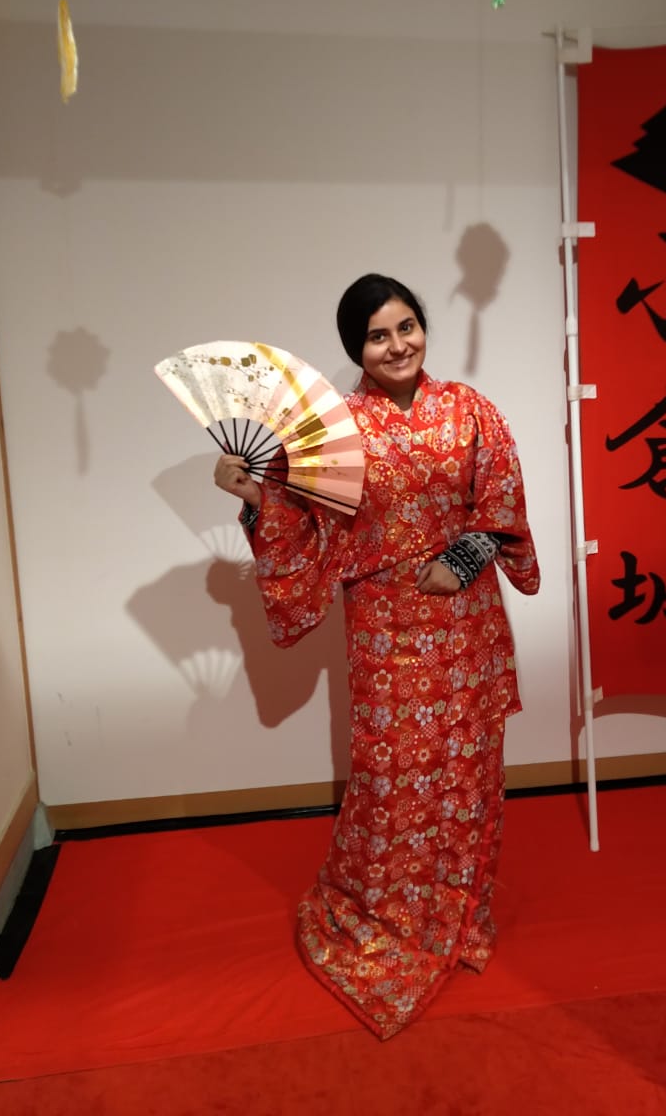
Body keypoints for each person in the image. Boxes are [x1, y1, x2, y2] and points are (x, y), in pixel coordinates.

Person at [213, 273, 540, 1040]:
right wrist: (255, 497)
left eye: (406, 327)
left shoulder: (470, 410)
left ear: (423, 327)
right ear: (355, 348)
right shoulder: (335, 430)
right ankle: (388, 913)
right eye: (376, 336)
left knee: (468, 769)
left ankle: (458, 913)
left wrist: (462, 560)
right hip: (385, 627)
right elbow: (300, 523)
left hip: (467, 623)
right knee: (392, 778)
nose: (396, 346)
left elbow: (501, 502)